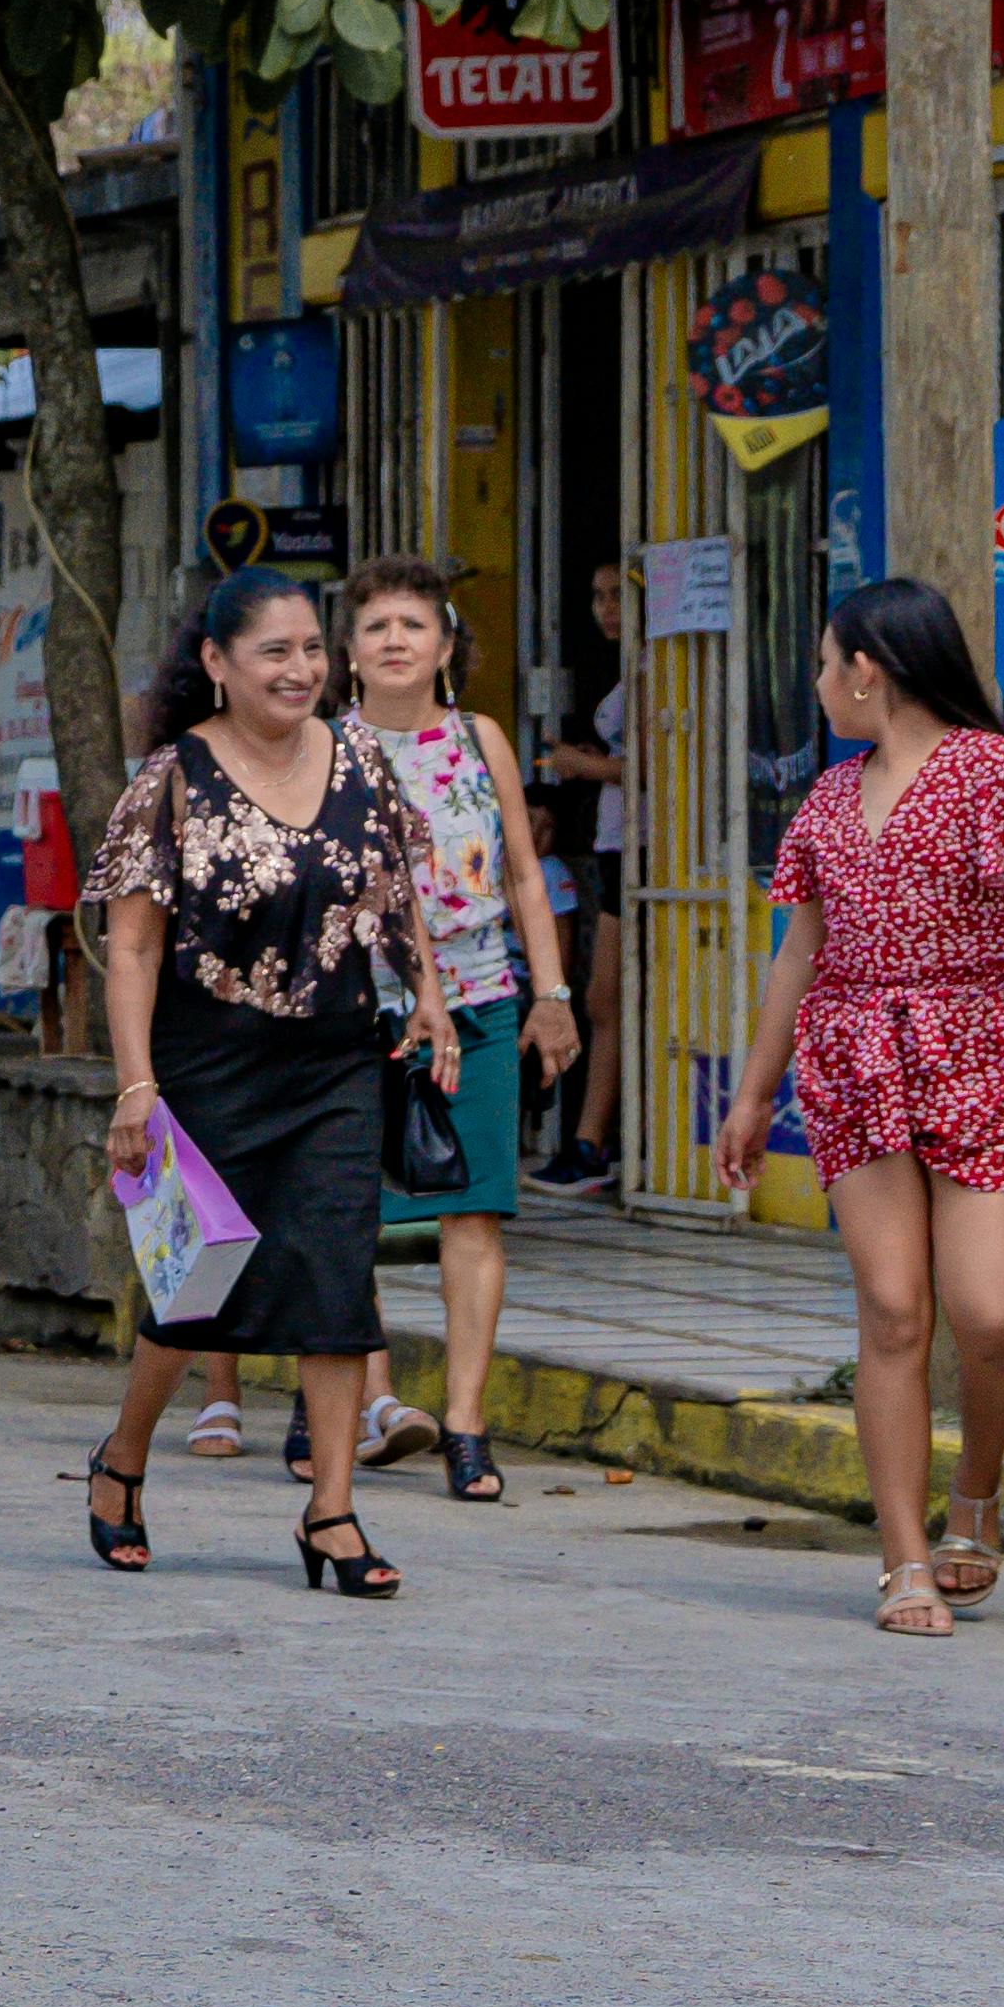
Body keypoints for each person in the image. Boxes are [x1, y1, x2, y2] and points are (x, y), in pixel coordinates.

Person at [712, 577, 1004, 1639]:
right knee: (894, 1313)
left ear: (868, 671)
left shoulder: (994, 773)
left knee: (991, 1313)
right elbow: (802, 952)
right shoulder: (829, 799)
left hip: (974, 1055)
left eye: (829, 664)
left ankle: (976, 1488)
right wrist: (751, 1095)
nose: (822, 684)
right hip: (852, 1060)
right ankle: (906, 1559)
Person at [69, 571, 452, 1602]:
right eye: (274, 652)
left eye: (312, 650)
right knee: (194, 1290)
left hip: (335, 1059)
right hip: (207, 1064)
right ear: (217, 663)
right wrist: (135, 1085)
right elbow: (134, 948)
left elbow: (395, 891)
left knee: (337, 1278)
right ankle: (123, 1461)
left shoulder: (363, 758)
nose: (300, 670)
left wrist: (429, 998)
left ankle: (330, 1512)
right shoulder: (174, 779)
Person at [344, 558, 576, 1502]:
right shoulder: (327, 751)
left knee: (475, 1210)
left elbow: (523, 873)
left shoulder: (479, 740)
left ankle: (469, 1429)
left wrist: (550, 994)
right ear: (349, 655)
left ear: (445, 644)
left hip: (482, 1002)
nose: (394, 640)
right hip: (362, 1014)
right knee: (350, 1215)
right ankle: (368, 1401)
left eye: (412, 624)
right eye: (375, 627)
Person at [530, 564, 639, 1191]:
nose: (604, 609)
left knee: (605, 996)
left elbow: (657, 761)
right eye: (596, 596)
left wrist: (582, 765)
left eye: (616, 595)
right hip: (615, 842)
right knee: (606, 996)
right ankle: (590, 1138)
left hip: (642, 844)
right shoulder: (627, 669)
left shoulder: (656, 667)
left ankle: (592, 1142)